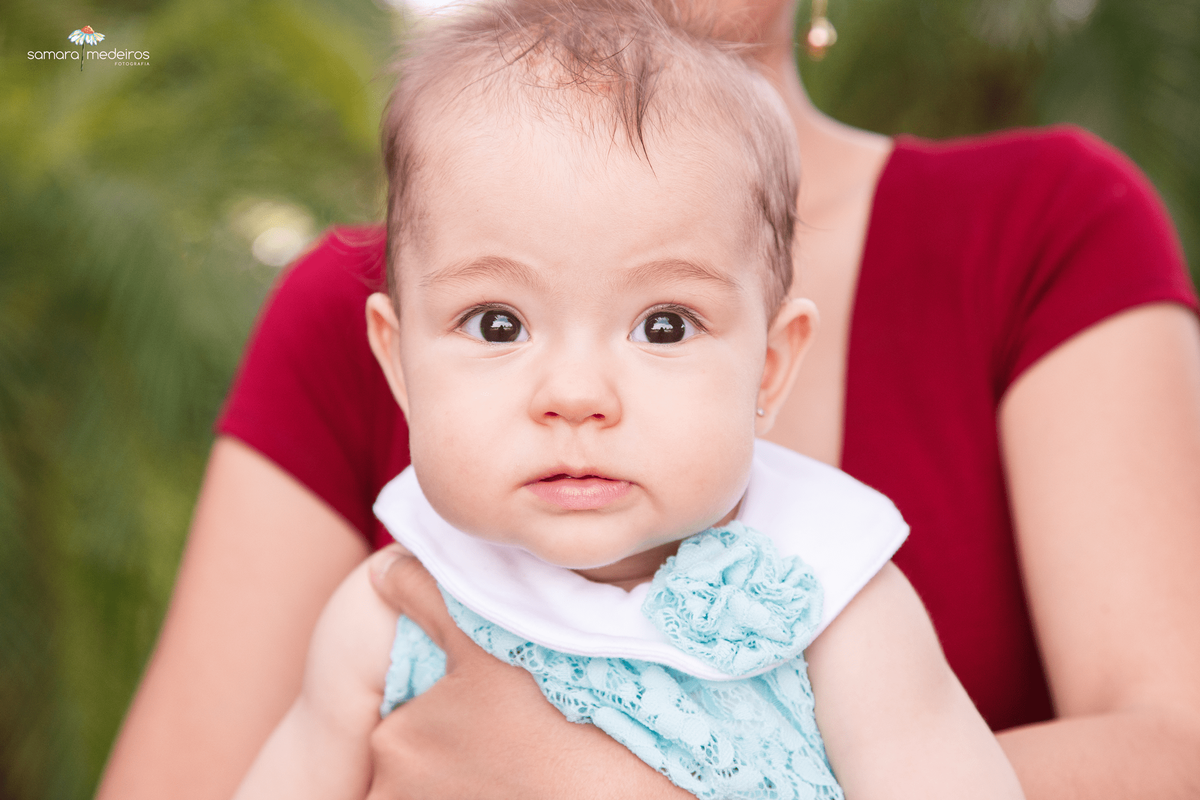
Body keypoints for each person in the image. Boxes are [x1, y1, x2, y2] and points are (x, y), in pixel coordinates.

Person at [96, 0, 1200, 794]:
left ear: (771, 361)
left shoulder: (821, 594)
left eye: (664, 327)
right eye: (497, 326)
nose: (574, 391)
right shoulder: (396, 600)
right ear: (395, 354)